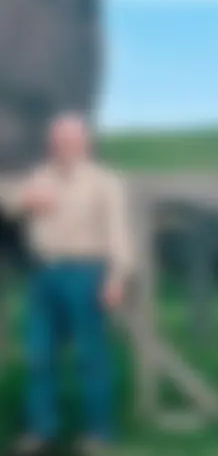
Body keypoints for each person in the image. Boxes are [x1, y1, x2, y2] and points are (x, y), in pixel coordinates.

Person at [7, 114, 133, 456]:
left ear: (85, 143)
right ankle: (41, 431)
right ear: (52, 143)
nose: (65, 146)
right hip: (44, 275)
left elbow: (120, 235)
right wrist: (25, 201)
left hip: (86, 274)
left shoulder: (105, 182)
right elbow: (7, 199)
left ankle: (98, 434)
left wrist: (116, 278)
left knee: (91, 357)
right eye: (59, 140)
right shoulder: (39, 177)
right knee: (39, 355)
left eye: (72, 140)